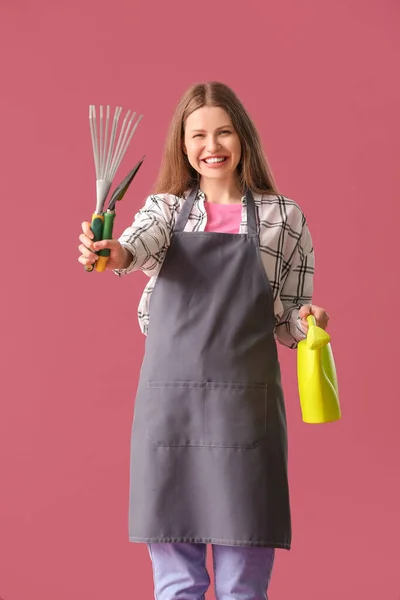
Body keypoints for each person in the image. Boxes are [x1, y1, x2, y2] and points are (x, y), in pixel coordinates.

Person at [78, 81, 330, 600]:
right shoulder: (165, 210)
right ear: (183, 144)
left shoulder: (285, 217)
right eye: (198, 135)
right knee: (176, 585)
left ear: (243, 139)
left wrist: (310, 324)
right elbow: (135, 247)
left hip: (246, 415)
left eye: (223, 132)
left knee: (244, 588)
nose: (211, 145)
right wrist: (111, 254)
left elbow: (285, 320)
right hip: (171, 412)